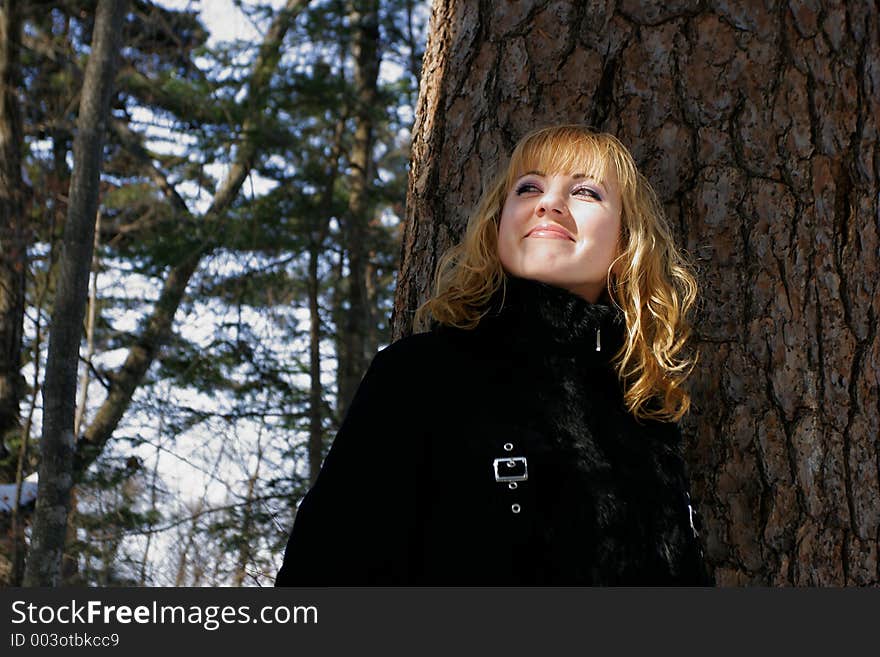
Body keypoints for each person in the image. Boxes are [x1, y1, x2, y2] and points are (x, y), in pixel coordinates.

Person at [276, 124, 713, 586]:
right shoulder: (422, 376)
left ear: (626, 242)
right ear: (497, 226)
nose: (549, 203)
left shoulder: (647, 415)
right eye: (529, 187)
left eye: (585, 191)